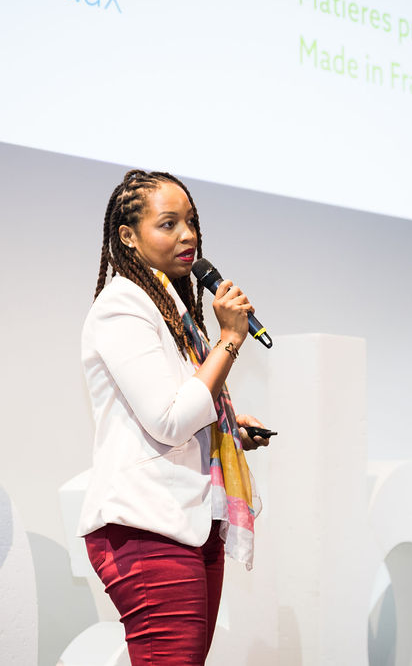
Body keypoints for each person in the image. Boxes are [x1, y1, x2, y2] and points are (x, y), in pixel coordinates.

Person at [77, 169, 269, 664]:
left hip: (191, 521)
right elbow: (167, 421)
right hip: (147, 525)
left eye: (191, 222)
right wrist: (231, 339)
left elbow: (185, 405)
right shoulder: (122, 306)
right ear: (128, 236)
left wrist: (228, 430)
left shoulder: (173, 312)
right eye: (168, 224)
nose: (188, 236)